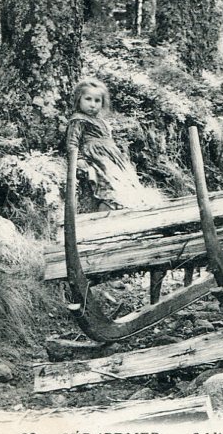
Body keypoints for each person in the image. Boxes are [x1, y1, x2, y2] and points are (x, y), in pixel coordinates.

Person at [66, 77, 173, 301]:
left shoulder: (102, 122)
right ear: (79, 100)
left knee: (127, 190)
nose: (93, 104)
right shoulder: (78, 120)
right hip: (97, 158)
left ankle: (120, 228)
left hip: (112, 158)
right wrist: (79, 162)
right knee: (109, 188)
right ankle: (102, 225)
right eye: (88, 99)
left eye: (97, 100)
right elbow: (73, 143)